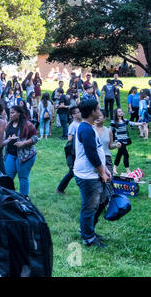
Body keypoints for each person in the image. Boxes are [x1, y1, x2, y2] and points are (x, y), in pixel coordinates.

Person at [73, 99, 110, 248]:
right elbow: (91, 154)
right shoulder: (86, 129)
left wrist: (105, 169)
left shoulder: (89, 127)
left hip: (94, 173)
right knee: (89, 206)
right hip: (88, 176)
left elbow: (98, 150)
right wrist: (102, 172)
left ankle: (89, 230)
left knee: (102, 200)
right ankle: (88, 237)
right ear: (93, 112)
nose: (100, 110)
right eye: (98, 108)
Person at [2, 105, 38, 199]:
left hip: (25, 156)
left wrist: (23, 143)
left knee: (22, 177)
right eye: (10, 113)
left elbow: (35, 138)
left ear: (19, 113)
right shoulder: (9, 124)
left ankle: (24, 198)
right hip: (11, 154)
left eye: (13, 113)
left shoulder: (28, 124)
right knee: (8, 177)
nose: (11, 115)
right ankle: (9, 197)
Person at [55, 106, 82, 194]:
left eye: (79, 111)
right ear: (73, 115)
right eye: (77, 112)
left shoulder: (82, 123)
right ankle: (60, 189)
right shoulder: (73, 125)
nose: (80, 113)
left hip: (81, 151)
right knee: (72, 172)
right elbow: (70, 139)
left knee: (73, 172)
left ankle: (60, 189)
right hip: (75, 152)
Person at [110, 108, 144, 175]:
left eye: (121, 111)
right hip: (119, 141)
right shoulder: (113, 122)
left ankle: (114, 168)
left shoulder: (125, 120)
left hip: (125, 140)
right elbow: (109, 131)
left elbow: (133, 123)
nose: (121, 112)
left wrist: (141, 123)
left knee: (119, 154)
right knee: (126, 155)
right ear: (116, 113)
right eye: (119, 111)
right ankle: (128, 171)